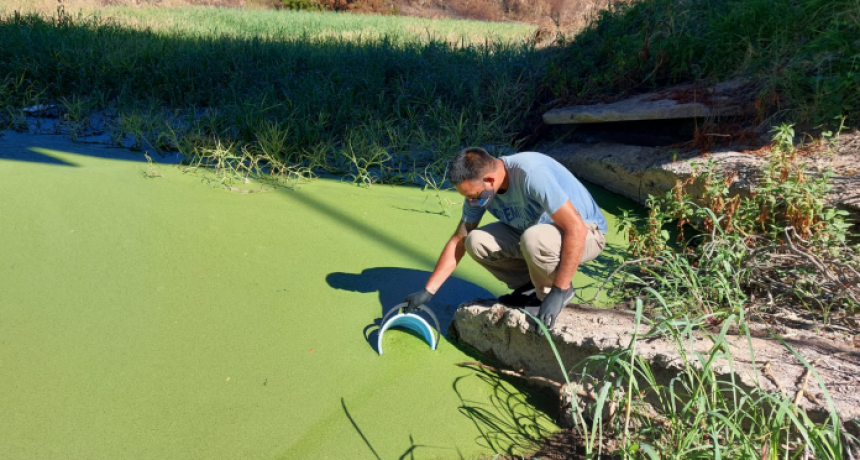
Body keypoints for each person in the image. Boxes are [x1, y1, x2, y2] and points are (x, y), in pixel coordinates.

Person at [402, 147, 608, 333]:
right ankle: (529, 289)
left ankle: (549, 294)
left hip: (588, 233)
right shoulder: (481, 191)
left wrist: (558, 290)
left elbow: (576, 229)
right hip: (536, 235)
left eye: (474, 196)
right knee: (475, 241)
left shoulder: (531, 174)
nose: (472, 202)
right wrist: (427, 292)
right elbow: (459, 239)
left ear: (490, 181)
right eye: (468, 197)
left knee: (533, 238)